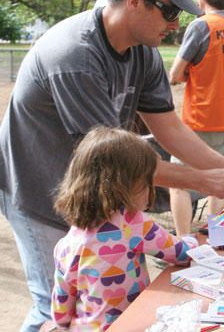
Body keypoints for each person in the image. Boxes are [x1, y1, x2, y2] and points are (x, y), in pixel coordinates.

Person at [0, 0, 224, 332]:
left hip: (93, 193)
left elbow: (170, 129)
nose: (176, 25)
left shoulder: (145, 52)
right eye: (171, 12)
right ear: (136, 1)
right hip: (36, 187)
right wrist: (201, 181)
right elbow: (116, 163)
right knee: (52, 312)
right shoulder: (76, 56)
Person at [45, 126, 198, 331]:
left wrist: (61, 325)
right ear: (124, 186)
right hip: (130, 326)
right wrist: (191, 239)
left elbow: (61, 308)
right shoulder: (132, 224)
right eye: (147, 182)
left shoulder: (66, 243)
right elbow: (182, 254)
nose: (152, 191)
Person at [168, 0, 224, 236]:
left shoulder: (200, 25)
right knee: (220, 182)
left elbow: (176, 74)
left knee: (178, 183)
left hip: (199, 119)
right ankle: (216, 237)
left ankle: (183, 241)